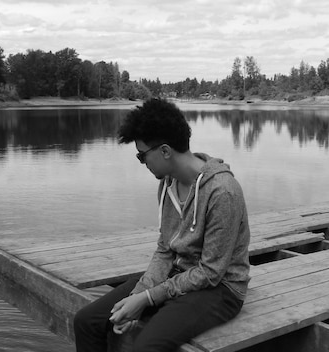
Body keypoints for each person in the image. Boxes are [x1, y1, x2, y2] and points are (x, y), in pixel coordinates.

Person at [74, 98, 251, 352]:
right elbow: (165, 250)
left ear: (165, 151)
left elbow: (211, 273)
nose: (142, 162)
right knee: (86, 321)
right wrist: (139, 295)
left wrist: (148, 298)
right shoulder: (168, 185)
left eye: (142, 155)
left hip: (221, 290)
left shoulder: (223, 192)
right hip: (177, 276)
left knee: (146, 347)